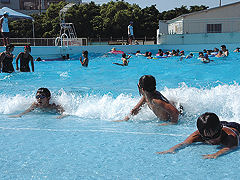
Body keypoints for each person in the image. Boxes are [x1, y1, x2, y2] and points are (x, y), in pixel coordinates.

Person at [157, 112, 240, 159]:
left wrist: (216, 154)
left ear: (220, 130)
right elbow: (184, 143)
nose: (212, 140)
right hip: (214, 126)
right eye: (207, 138)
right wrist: (172, 149)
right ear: (201, 134)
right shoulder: (198, 135)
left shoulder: (230, 136)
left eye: (216, 136)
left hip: (234, 127)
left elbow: (231, 147)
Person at [115, 75, 180, 125]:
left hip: (179, 114)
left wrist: (171, 123)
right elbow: (136, 110)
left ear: (142, 89)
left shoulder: (156, 100)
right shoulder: (146, 97)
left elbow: (175, 112)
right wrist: (125, 120)